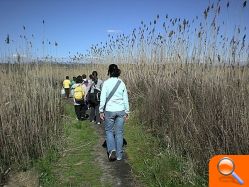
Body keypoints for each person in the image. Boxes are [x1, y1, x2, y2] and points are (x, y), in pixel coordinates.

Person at [99, 64, 129, 161]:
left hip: (109, 110)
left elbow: (102, 98)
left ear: (109, 72)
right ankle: (119, 155)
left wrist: (100, 110)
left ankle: (112, 150)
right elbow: (125, 99)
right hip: (120, 110)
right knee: (119, 132)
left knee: (109, 131)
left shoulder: (106, 83)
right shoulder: (122, 83)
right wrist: (127, 111)